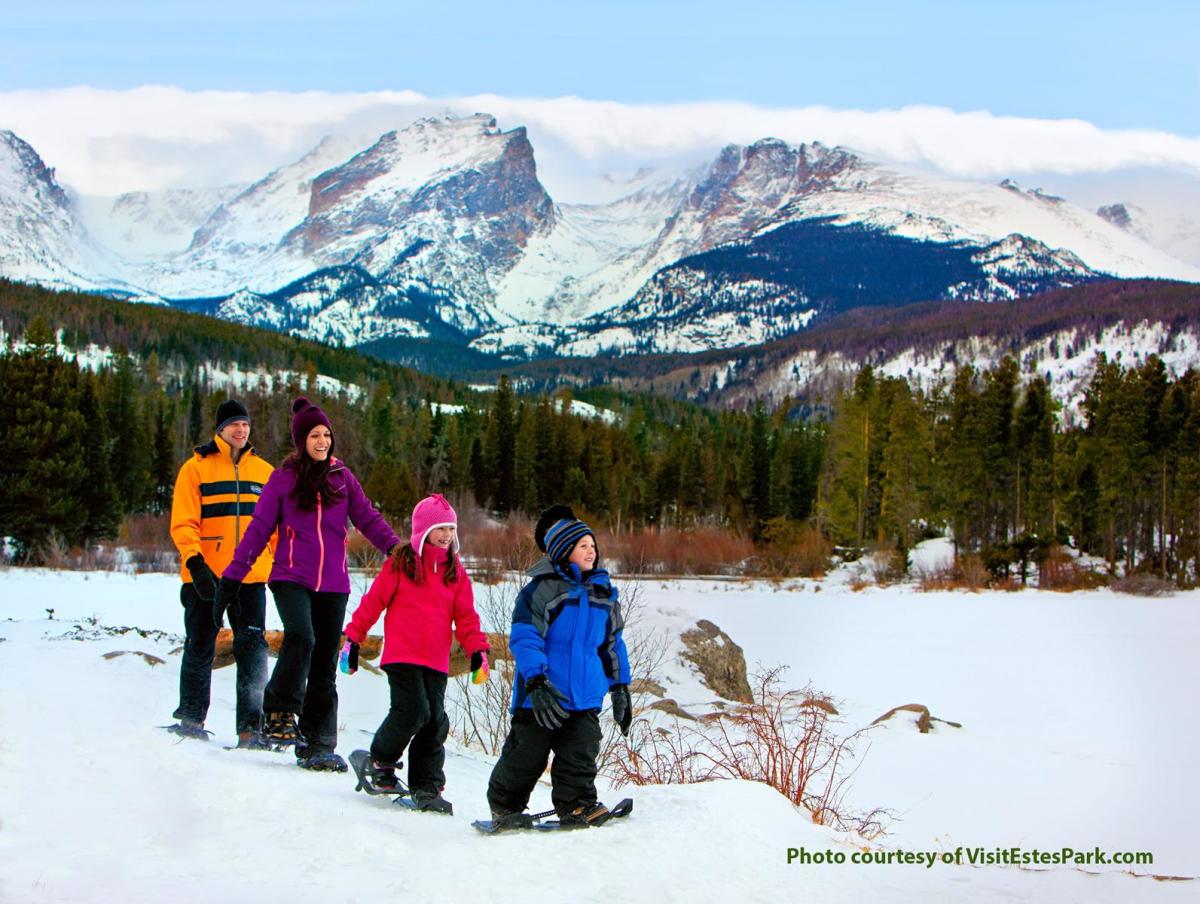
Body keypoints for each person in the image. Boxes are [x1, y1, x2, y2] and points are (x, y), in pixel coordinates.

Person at [218, 396, 400, 772]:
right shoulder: (282, 479)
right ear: (301, 441)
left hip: (334, 583)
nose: (322, 442)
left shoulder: (342, 477)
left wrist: (395, 548)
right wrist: (233, 575)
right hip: (290, 577)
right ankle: (280, 708)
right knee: (302, 637)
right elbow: (258, 530)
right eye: (315, 435)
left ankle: (318, 743)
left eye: (326, 435)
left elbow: (367, 517)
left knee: (323, 665)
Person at [341, 493, 490, 813]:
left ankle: (426, 785)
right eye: (441, 529)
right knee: (413, 711)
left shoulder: (455, 572)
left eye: (451, 529)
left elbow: (466, 617)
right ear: (423, 531)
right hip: (402, 655)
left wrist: (477, 649)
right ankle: (380, 760)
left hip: (436, 660)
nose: (447, 535)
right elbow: (373, 603)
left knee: (435, 721)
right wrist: (353, 639)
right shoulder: (401, 563)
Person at [486, 505, 633, 828]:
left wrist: (620, 688)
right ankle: (505, 806)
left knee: (580, 753)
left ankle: (578, 804)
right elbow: (526, 638)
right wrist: (536, 681)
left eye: (593, 546)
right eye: (583, 545)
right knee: (527, 755)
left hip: (585, 697)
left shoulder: (604, 595)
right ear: (564, 550)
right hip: (543, 694)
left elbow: (612, 645)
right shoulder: (540, 590)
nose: (591, 551)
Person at [167, 399, 275, 747]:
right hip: (206, 576)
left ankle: (251, 730)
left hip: (250, 578)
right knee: (200, 644)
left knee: (252, 649)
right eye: (234, 425)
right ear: (220, 429)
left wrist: (270, 558)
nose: (241, 430)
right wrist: (194, 562)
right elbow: (183, 522)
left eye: (244, 424)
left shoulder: (265, 472)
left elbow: (276, 526)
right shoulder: (195, 469)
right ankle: (191, 719)